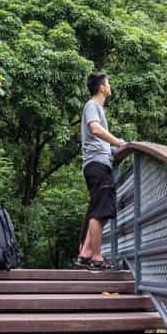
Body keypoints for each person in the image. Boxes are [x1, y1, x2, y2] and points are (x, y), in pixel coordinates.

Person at [74, 71, 126, 270]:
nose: (110, 86)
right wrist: (119, 141)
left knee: (99, 209)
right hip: (97, 165)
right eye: (108, 83)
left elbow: (99, 142)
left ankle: (85, 254)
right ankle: (97, 258)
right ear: (102, 87)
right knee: (100, 211)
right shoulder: (92, 106)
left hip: (99, 163)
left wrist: (115, 149)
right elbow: (95, 129)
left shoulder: (97, 108)